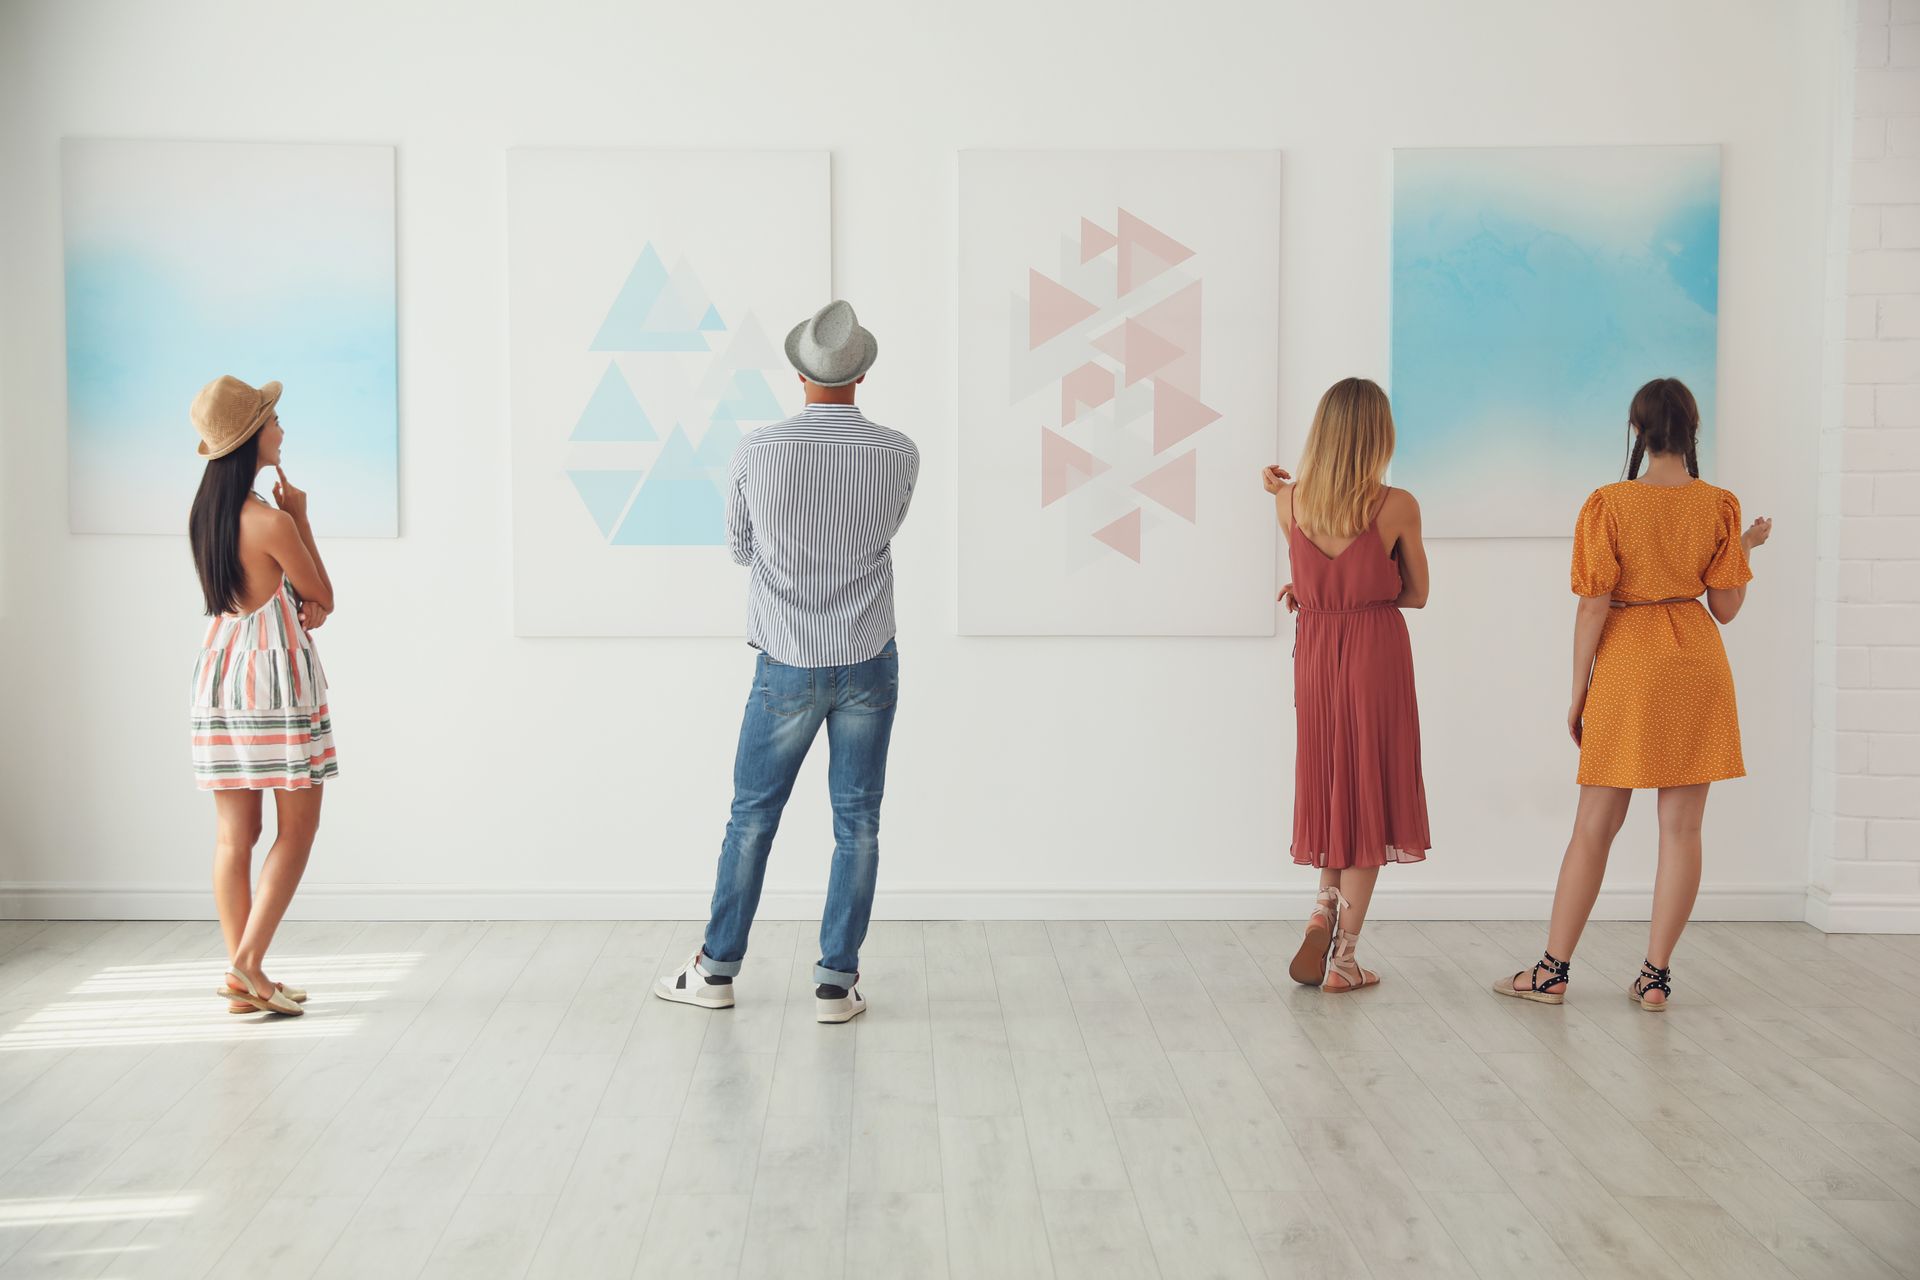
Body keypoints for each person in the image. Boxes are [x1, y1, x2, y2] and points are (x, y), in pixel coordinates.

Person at [655, 301, 918, 1025]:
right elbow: (885, 533)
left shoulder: (757, 449)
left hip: (787, 662)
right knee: (857, 822)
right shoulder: (899, 452)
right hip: (869, 658)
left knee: (751, 817)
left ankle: (715, 971)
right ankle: (836, 985)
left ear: (799, 372)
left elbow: (740, 548)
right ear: (862, 373)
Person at [1497, 377, 1770, 1010]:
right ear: (1693, 430)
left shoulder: (1609, 503)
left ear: (1638, 430)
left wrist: (1578, 692)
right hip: (1697, 661)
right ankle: (1655, 978)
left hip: (1629, 663)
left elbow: (1593, 605)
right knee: (1683, 829)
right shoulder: (1720, 505)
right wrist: (1744, 548)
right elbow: (1725, 607)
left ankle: (1552, 972)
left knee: (1594, 825)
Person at [1263, 377, 1431, 993]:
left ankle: (1322, 907)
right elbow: (1417, 593)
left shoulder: (1289, 503)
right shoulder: (1397, 505)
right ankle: (1344, 960)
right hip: (1374, 653)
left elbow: (1313, 578)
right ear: (1379, 435)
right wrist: (1365, 586)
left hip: (1315, 654)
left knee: (1334, 782)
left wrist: (1312, 593)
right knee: (1370, 792)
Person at [187, 376, 337, 1017]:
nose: (281, 430)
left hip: (220, 676)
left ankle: (243, 981)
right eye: (273, 421)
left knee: (234, 835)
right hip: (273, 684)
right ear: (252, 438)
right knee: (297, 830)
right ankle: (247, 965)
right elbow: (322, 596)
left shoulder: (206, 516)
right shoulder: (272, 522)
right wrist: (300, 518)